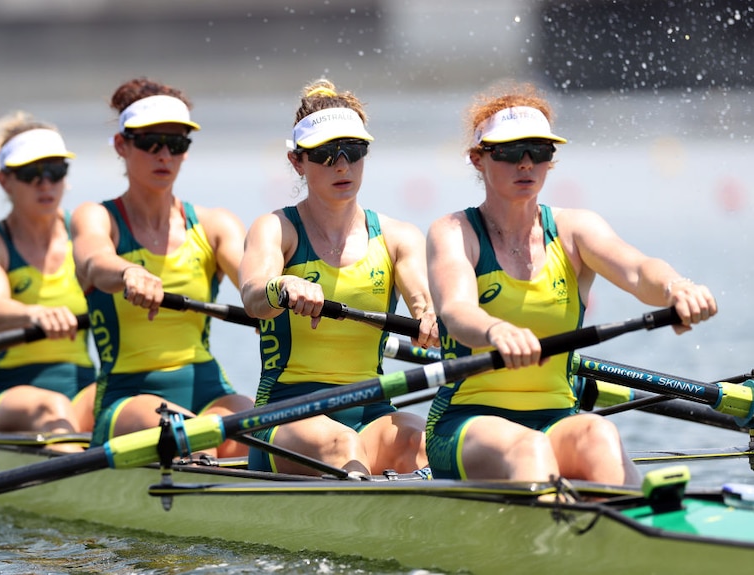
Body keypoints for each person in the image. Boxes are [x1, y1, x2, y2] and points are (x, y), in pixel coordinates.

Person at [425, 82, 718, 486]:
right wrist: (497, 330)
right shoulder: (454, 231)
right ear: (478, 159)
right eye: (509, 152)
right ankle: (557, 533)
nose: (526, 164)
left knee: (600, 433)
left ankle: (638, 536)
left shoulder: (575, 229)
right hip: (465, 423)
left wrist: (676, 288)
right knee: (528, 448)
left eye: (539, 152)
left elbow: (637, 270)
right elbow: (457, 311)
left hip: (555, 419)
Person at [239, 79, 439, 476]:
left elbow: (424, 302)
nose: (342, 165)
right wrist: (283, 287)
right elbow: (252, 295)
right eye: (326, 154)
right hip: (286, 416)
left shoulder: (399, 237)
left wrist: (431, 319)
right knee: (341, 445)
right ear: (298, 162)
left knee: (423, 441)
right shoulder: (277, 229)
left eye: (354, 151)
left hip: (374, 409)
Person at [71, 77, 252, 456]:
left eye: (176, 144)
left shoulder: (215, 225)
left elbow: (254, 279)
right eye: (150, 143)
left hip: (209, 389)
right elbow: (93, 260)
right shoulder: (97, 217)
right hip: (126, 398)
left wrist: (281, 293)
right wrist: (128, 273)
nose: (164, 155)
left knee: (265, 439)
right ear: (122, 145)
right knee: (194, 441)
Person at [0, 112, 96, 446]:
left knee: (143, 396)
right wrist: (34, 313)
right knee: (52, 407)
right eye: (31, 174)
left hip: (83, 385)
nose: (45, 184)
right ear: (4, 180)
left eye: (55, 171)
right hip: (10, 393)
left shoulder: (87, 235)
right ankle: (80, 485)